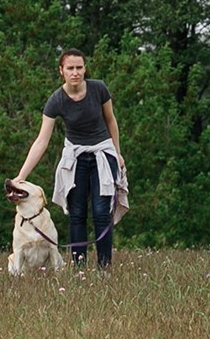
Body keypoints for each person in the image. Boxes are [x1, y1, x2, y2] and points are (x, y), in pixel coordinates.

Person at [14, 47, 127, 271]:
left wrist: (118, 152)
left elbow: (111, 121)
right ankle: (79, 269)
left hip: (102, 154)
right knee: (77, 214)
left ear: (85, 69)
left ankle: (105, 269)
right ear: (61, 71)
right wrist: (21, 176)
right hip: (76, 157)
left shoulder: (99, 89)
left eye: (79, 67)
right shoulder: (56, 100)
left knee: (101, 212)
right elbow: (41, 141)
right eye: (70, 68)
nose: (75, 72)